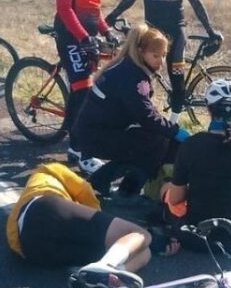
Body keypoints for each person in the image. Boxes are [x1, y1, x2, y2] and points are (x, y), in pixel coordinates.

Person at [7, 162, 179, 288]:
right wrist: (102, 224)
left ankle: (106, 281)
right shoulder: (49, 169)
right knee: (141, 234)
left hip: (30, 250)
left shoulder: (26, 196)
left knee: (145, 251)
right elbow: (85, 191)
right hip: (46, 208)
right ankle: (108, 267)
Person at [105, 0, 222, 123]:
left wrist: (210, 31)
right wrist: (113, 15)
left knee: (177, 79)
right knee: (138, 72)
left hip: (175, 31)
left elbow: (196, 3)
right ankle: (141, 115)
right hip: (151, 31)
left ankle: (174, 123)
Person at [73, 22, 191, 196]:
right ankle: (123, 191)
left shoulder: (127, 67)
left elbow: (144, 112)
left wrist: (168, 129)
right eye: (155, 56)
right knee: (156, 144)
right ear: (141, 52)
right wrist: (174, 131)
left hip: (94, 131)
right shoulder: (132, 77)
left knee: (150, 141)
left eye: (164, 55)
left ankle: (106, 184)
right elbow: (146, 116)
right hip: (96, 135)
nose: (161, 61)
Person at [165, 79, 231, 255]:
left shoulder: (191, 145)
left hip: (198, 239)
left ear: (208, 109)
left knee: (167, 191)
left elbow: (176, 199)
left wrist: (168, 188)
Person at [54, 0, 119, 172]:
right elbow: (65, 9)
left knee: (87, 89)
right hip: (71, 33)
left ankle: (73, 145)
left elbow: (94, 10)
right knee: (82, 89)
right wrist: (83, 38)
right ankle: (81, 151)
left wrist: (106, 30)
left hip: (87, 35)